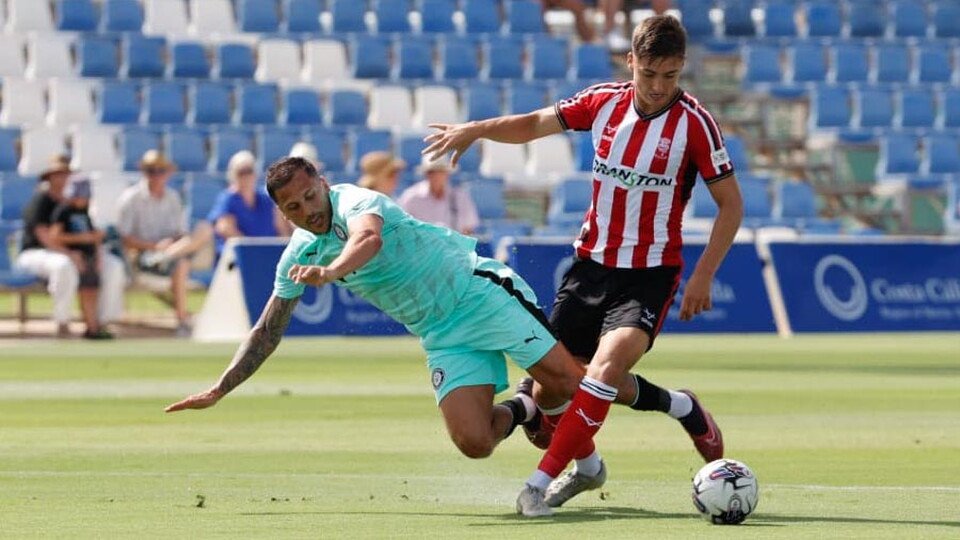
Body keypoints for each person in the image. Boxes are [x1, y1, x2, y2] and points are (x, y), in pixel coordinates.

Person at [422, 14, 741, 516]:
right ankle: (681, 407)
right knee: (555, 387)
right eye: (649, 74)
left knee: (605, 370)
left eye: (671, 76)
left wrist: (703, 274)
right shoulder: (603, 102)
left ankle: (537, 486)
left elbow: (731, 204)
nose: (659, 88)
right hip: (589, 268)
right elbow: (534, 124)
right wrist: (478, 129)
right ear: (630, 61)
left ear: (683, 69)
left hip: (650, 275)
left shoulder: (695, 125)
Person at [15, 155, 126, 338]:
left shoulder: (77, 204)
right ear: (49, 177)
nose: (62, 178)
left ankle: (101, 322)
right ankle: (62, 322)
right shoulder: (41, 201)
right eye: (57, 174)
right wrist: (70, 254)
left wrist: (94, 250)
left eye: (65, 174)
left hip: (78, 251)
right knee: (63, 266)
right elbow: (45, 237)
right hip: (38, 252)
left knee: (114, 266)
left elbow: (89, 231)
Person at [116, 150, 213, 337]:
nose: (156, 175)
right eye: (151, 171)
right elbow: (125, 239)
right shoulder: (131, 198)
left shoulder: (173, 198)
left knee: (204, 230)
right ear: (144, 173)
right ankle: (182, 319)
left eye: (160, 170)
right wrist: (155, 247)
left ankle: (167, 257)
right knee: (182, 263)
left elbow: (179, 232)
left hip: (170, 253)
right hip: (143, 257)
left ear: (167, 173)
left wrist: (169, 246)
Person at [47, 175, 116, 339]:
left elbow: (93, 237)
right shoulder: (63, 211)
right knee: (84, 289)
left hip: (89, 255)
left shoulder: (85, 213)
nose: (82, 199)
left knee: (92, 289)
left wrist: (97, 252)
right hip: (74, 257)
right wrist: (81, 240)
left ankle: (93, 326)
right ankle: (87, 326)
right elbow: (54, 237)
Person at [206, 150, 292, 263]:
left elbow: (281, 228)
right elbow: (224, 228)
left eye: (249, 171)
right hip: (239, 258)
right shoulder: (228, 199)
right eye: (241, 172)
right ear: (233, 175)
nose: (246, 176)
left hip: (268, 255)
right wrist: (253, 250)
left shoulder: (266, 199)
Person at [397, 155, 479, 235]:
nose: (436, 176)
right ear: (426, 174)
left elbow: (468, 230)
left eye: (440, 171)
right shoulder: (411, 197)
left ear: (447, 173)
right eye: (432, 172)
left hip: (452, 247)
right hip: (421, 246)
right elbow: (400, 227)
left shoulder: (460, 197)